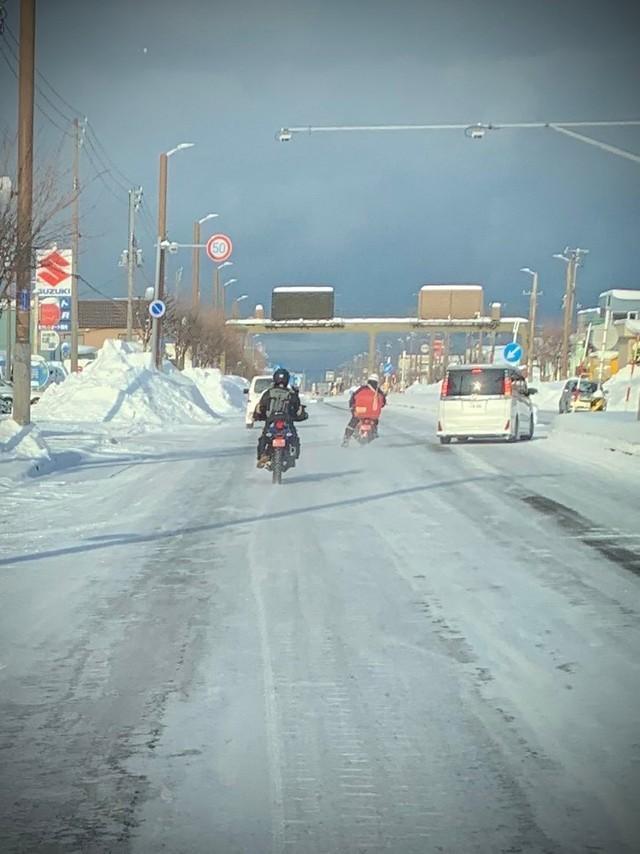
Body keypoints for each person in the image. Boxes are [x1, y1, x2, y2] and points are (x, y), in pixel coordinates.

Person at [253, 368, 307, 467]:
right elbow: (298, 410)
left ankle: (263, 455)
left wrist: (257, 416)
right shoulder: (291, 394)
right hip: (287, 421)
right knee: (293, 437)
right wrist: (301, 416)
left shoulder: (268, 393)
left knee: (264, 437)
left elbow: (261, 408)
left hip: (271, 420)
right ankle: (292, 455)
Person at [342, 373, 386, 446]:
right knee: (375, 422)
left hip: (360, 412)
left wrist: (352, 408)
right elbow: (383, 403)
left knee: (353, 422)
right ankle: (374, 433)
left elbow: (352, 399)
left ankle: (346, 438)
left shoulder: (361, 389)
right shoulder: (379, 392)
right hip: (373, 414)